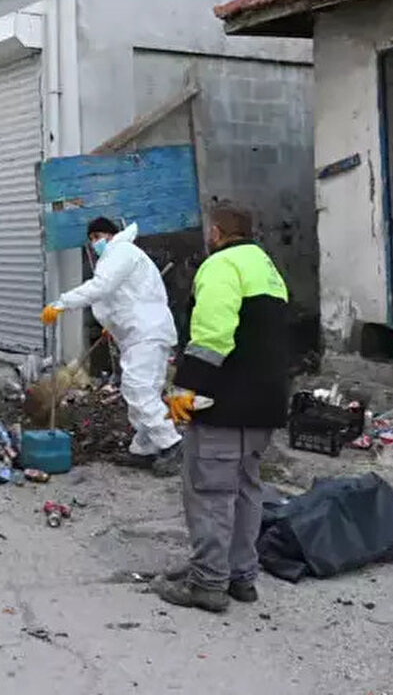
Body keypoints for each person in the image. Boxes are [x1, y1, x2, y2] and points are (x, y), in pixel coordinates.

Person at [155, 201, 289, 613]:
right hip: (265, 403)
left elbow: (214, 334)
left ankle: (208, 583)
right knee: (247, 489)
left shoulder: (220, 266)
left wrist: (185, 386)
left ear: (216, 233)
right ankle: (240, 577)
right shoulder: (267, 268)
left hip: (225, 400)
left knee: (210, 490)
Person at [41, 218, 182, 475]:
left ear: (112, 234)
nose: (95, 242)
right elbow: (118, 294)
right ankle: (145, 449)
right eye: (92, 238)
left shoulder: (121, 251)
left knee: (139, 390)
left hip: (146, 332)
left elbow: (101, 287)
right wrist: (112, 323)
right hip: (140, 333)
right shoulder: (120, 256)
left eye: (99, 236)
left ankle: (172, 445)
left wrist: (61, 303)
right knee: (141, 391)